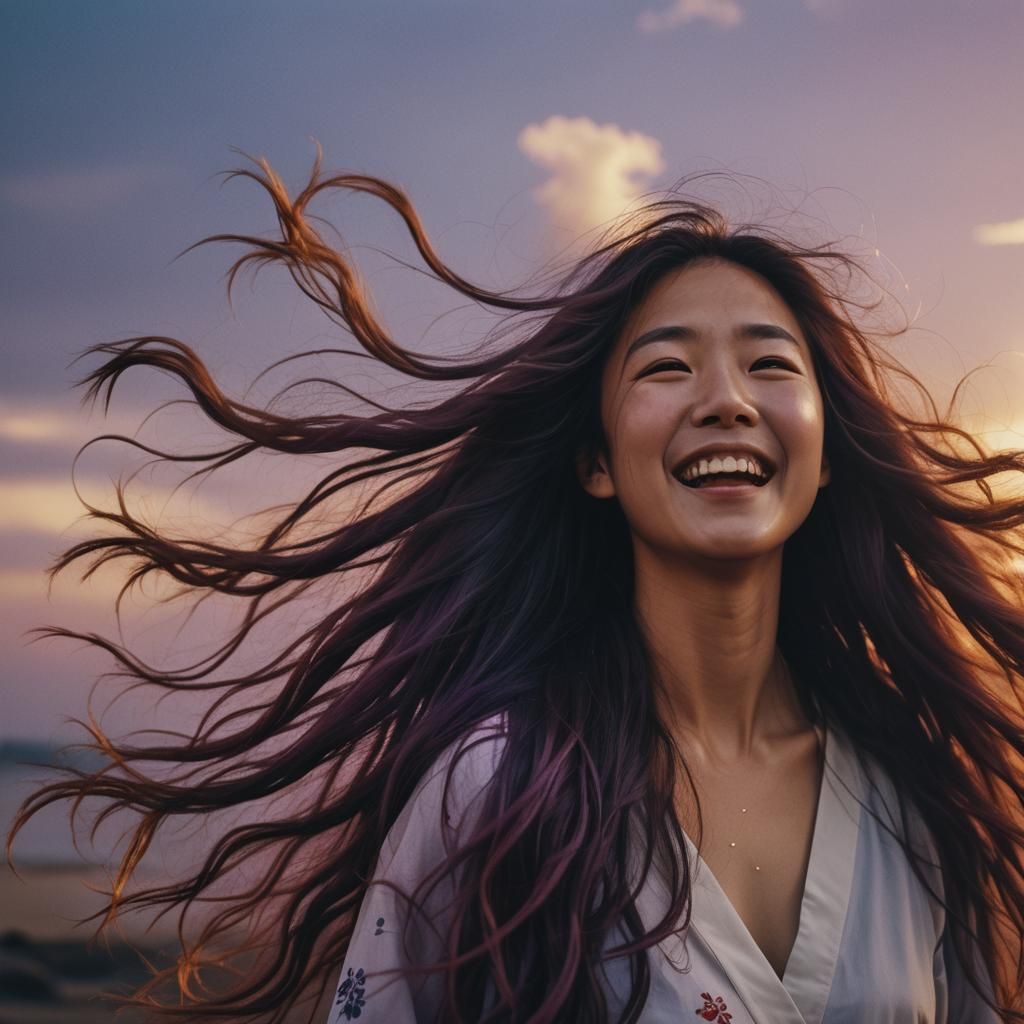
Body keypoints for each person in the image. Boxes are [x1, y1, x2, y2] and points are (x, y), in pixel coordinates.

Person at [9, 152, 1024, 1024]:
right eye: (666, 369)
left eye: (769, 364)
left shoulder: (917, 798)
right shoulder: (496, 783)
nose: (725, 400)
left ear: (828, 451)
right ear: (595, 460)